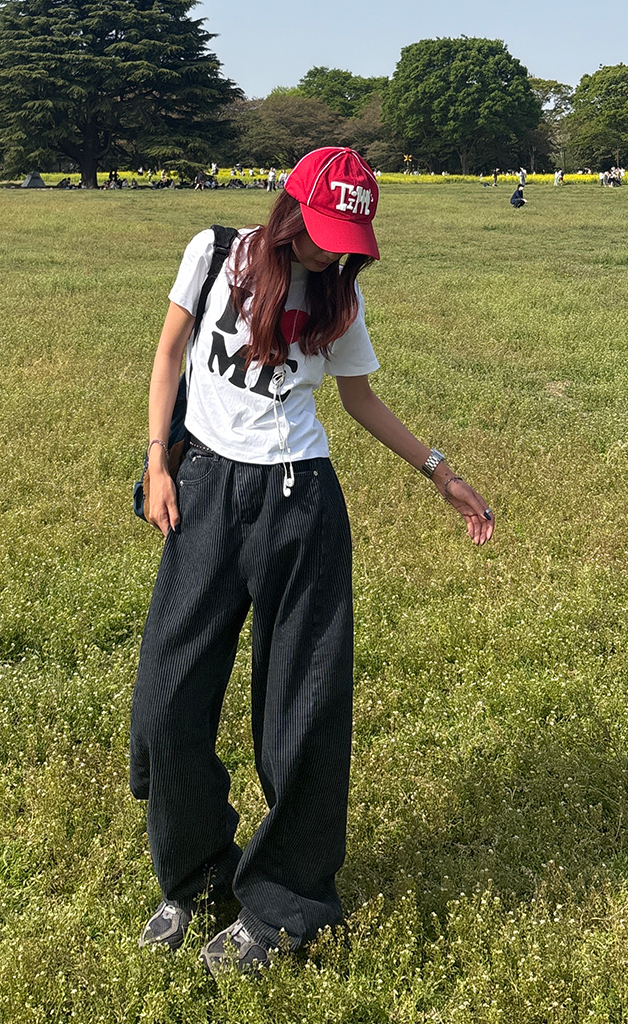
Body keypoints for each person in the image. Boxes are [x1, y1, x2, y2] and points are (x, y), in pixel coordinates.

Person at [130, 146, 494, 976]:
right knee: (166, 703)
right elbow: (169, 354)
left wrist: (442, 473)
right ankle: (197, 875)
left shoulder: (339, 295)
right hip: (204, 488)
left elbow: (358, 397)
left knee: (303, 714)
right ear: (291, 209)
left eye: (348, 240)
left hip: (301, 504)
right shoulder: (215, 253)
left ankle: (285, 909)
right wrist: (157, 462)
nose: (333, 251)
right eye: (325, 231)